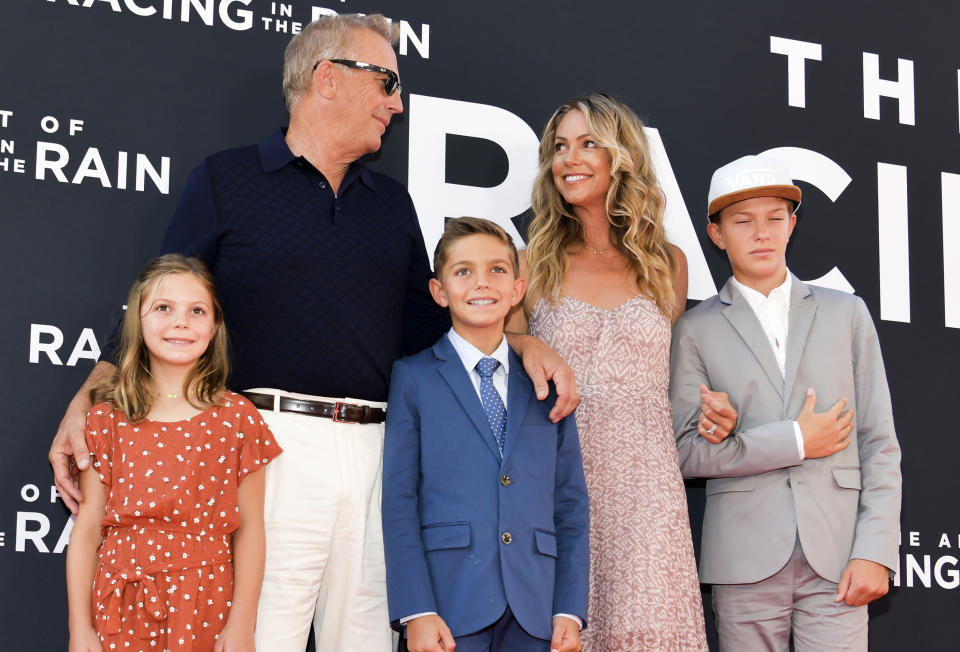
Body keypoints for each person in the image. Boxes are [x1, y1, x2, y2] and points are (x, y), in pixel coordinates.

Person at [50, 14, 577, 651]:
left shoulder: (390, 203)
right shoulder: (226, 180)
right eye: (386, 81)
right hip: (266, 448)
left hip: (377, 451)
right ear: (327, 78)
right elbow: (159, 301)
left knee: (362, 640)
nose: (397, 103)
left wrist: (519, 341)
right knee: (259, 635)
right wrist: (91, 394)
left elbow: (436, 322)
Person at [669, 153, 902, 650]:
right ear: (716, 234)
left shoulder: (848, 314)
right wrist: (794, 440)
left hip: (838, 556)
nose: (761, 233)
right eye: (742, 221)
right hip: (743, 561)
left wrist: (877, 550)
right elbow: (685, 453)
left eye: (775, 218)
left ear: (792, 225)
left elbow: (879, 441)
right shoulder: (694, 330)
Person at [506, 93, 707, 650]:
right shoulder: (531, 261)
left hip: (648, 485)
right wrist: (525, 342)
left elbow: (671, 378)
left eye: (588, 143)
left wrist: (710, 408)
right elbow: (502, 347)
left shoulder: (668, 263)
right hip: (558, 470)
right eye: (560, 147)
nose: (570, 158)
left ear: (623, 156)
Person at [383, 217, 589, 652]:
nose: (482, 283)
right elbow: (399, 501)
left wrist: (568, 608)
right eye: (463, 271)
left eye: (497, 270)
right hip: (448, 604)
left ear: (518, 289)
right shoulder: (413, 377)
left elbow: (570, 502)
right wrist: (416, 610)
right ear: (439, 291)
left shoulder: (547, 384)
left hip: (535, 610)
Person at [65, 254, 281, 652]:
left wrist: (242, 626)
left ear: (214, 326)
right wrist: (81, 630)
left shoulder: (238, 419)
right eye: (164, 308)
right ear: (138, 321)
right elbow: (88, 528)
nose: (181, 321)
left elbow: (250, 529)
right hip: (120, 604)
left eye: (197, 310)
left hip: (205, 605)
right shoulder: (105, 421)